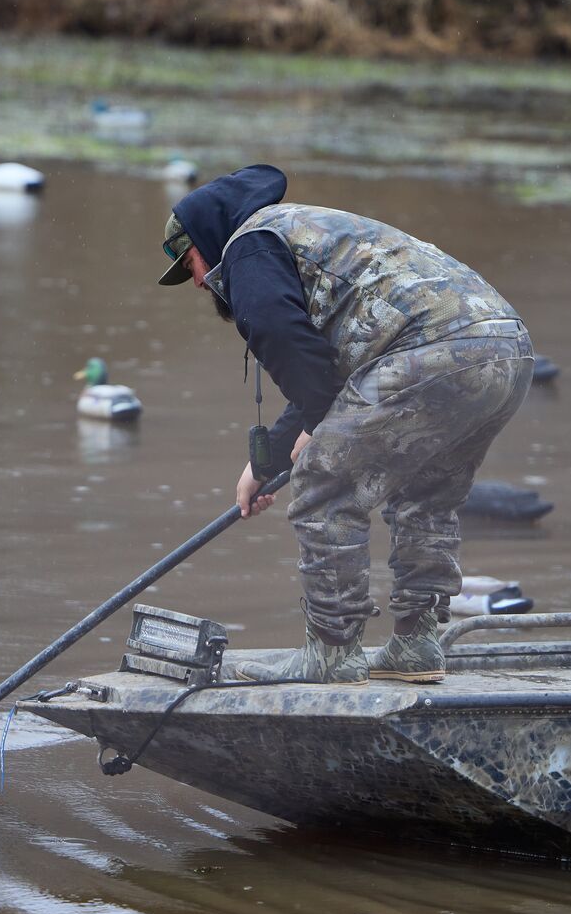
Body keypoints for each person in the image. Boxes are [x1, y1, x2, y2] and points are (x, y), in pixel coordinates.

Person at [157, 164, 532, 684]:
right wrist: (263, 462)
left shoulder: (247, 248)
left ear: (206, 241)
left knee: (323, 489)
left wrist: (316, 426)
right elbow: (331, 366)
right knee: (425, 493)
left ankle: (332, 653)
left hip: (429, 351)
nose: (197, 282)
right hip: (504, 349)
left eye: (191, 264)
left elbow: (283, 338)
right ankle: (417, 644)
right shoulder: (302, 231)